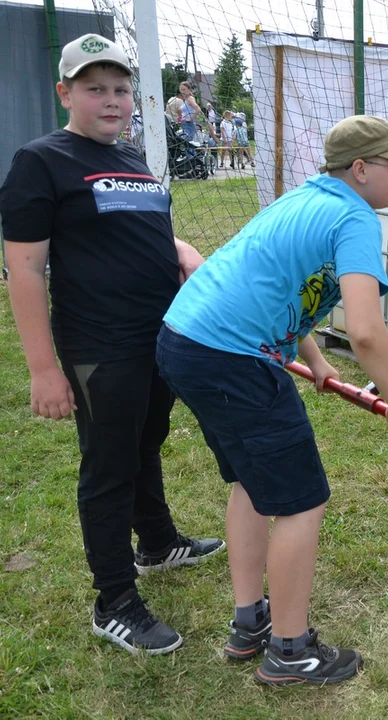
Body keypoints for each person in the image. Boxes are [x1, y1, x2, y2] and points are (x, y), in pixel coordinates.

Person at [155, 115, 388, 686]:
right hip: (232, 356)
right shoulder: (353, 215)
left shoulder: (305, 199)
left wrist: (318, 360)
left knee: (252, 484)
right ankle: (290, 650)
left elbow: (278, 283)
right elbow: (368, 333)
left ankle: (251, 621)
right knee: (301, 501)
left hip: (185, 341)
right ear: (360, 170)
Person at [0, 33, 222, 655]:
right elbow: (23, 269)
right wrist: (44, 369)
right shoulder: (41, 161)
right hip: (100, 345)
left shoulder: (131, 159)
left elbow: (142, 233)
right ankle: (114, 601)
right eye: (95, 89)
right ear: (64, 92)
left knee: (146, 440)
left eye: (120, 88)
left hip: (160, 336)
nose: (112, 100)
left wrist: (182, 252)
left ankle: (157, 542)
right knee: (108, 465)